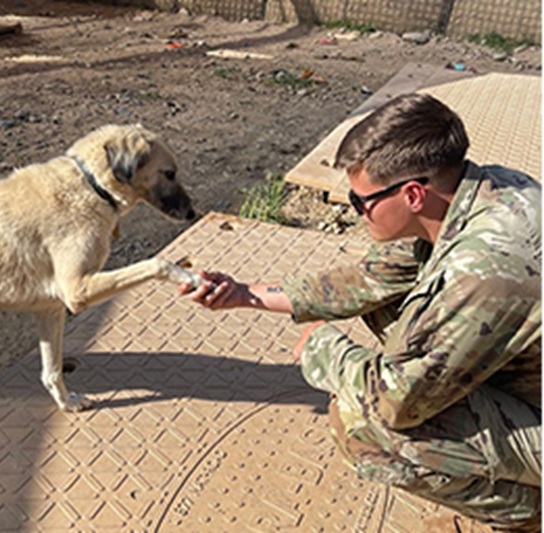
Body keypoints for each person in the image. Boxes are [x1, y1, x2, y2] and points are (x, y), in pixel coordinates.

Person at [181, 93, 541, 531]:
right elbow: (367, 281)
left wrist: (326, 351)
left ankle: (524, 516)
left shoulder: (484, 267)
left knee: (363, 425)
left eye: (360, 202)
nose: (357, 212)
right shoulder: (481, 191)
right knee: (390, 306)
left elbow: (396, 404)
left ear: (411, 194)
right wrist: (242, 293)